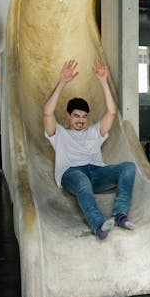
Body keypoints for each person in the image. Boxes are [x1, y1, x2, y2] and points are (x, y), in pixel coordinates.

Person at [43, 58, 136, 240]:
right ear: (68, 116)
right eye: (76, 116)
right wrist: (62, 82)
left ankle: (119, 215)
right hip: (71, 173)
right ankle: (98, 225)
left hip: (96, 172)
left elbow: (111, 112)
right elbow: (47, 112)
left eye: (84, 117)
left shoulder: (94, 132)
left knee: (128, 167)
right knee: (81, 180)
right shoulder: (59, 134)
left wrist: (103, 81)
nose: (80, 120)